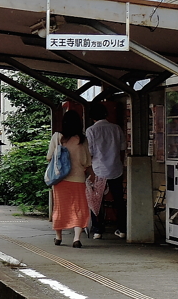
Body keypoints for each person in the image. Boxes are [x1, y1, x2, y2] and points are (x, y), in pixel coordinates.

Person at [48, 110, 92, 248]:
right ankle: (76, 238)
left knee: (60, 208)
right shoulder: (82, 139)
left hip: (60, 179)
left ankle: (58, 237)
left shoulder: (57, 137)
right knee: (79, 208)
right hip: (78, 179)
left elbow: (49, 156)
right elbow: (86, 161)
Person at [85, 101, 127, 240]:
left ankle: (97, 230)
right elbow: (122, 149)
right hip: (116, 168)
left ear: (92, 116)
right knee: (119, 200)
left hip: (98, 170)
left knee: (96, 200)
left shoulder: (91, 130)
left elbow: (90, 151)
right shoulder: (116, 128)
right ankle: (122, 229)